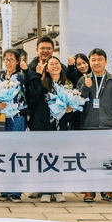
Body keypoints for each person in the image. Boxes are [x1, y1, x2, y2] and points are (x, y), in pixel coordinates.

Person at [25, 54, 79, 203]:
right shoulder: (41, 83)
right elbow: (33, 101)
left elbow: (73, 106)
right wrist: (36, 76)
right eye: (51, 64)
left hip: (60, 127)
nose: (54, 66)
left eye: (57, 64)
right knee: (43, 158)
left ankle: (58, 190)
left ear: (61, 67)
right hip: (42, 126)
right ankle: (45, 191)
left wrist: (70, 110)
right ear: (46, 69)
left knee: (58, 158)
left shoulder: (67, 84)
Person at [78, 48, 112, 203]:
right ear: (89, 62)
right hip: (88, 125)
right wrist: (86, 86)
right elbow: (77, 100)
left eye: (99, 59)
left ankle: (108, 190)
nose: (96, 62)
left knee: (109, 159)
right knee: (89, 159)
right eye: (93, 59)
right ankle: (89, 191)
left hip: (108, 125)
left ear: (105, 61)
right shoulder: (83, 79)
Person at [0, 49, 28, 202]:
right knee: (2, 153)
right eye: (6, 59)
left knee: (15, 152)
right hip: (1, 118)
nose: (8, 62)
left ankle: (15, 191)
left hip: (17, 117)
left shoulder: (22, 77)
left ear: (18, 61)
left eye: (11, 59)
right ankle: (4, 190)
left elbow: (28, 96)